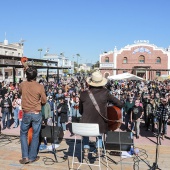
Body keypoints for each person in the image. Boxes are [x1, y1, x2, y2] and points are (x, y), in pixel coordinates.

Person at [79, 70, 124, 158]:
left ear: (90, 82)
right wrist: (109, 108)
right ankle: (99, 147)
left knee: (86, 126)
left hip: (85, 127)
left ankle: (86, 148)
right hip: (99, 127)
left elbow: (81, 111)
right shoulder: (105, 93)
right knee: (99, 128)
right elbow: (120, 104)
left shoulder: (83, 94)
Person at [19, 66, 47, 164]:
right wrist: (39, 102)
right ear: (36, 76)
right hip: (36, 113)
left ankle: (25, 157)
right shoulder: (40, 86)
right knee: (35, 135)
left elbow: (20, 92)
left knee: (23, 134)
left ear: (27, 75)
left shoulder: (22, 84)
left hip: (26, 113)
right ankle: (32, 157)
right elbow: (44, 101)